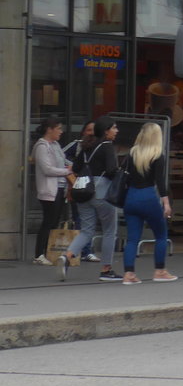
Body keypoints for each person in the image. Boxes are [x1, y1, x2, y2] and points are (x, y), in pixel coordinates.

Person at [61, 116, 121, 281]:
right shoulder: (107, 146)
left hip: (83, 190)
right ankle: (106, 269)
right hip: (102, 192)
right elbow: (110, 170)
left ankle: (68, 254)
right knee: (110, 230)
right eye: (114, 128)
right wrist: (120, 173)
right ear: (106, 130)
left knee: (86, 230)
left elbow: (77, 167)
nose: (116, 131)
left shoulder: (86, 146)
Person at [120, 122, 176, 284]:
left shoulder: (132, 153)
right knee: (160, 234)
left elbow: (127, 177)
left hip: (131, 196)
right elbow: (160, 182)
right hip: (148, 196)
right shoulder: (158, 155)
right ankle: (160, 271)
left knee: (132, 239)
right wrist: (166, 203)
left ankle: (128, 274)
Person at [30, 117, 73, 265]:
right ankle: (39, 254)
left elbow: (65, 161)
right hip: (49, 190)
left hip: (60, 188)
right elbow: (47, 169)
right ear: (49, 129)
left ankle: (48, 251)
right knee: (48, 221)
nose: (61, 132)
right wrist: (66, 172)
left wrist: (73, 167)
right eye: (58, 128)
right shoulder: (42, 146)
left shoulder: (55, 145)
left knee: (55, 221)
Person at [62, 121, 99, 262]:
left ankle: (82, 251)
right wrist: (73, 167)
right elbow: (61, 155)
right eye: (89, 130)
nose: (91, 133)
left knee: (89, 220)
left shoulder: (99, 147)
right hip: (79, 187)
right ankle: (84, 251)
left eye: (93, 130)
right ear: (83, 132)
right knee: (80, 219)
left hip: (93, 187)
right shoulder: (77, 145)